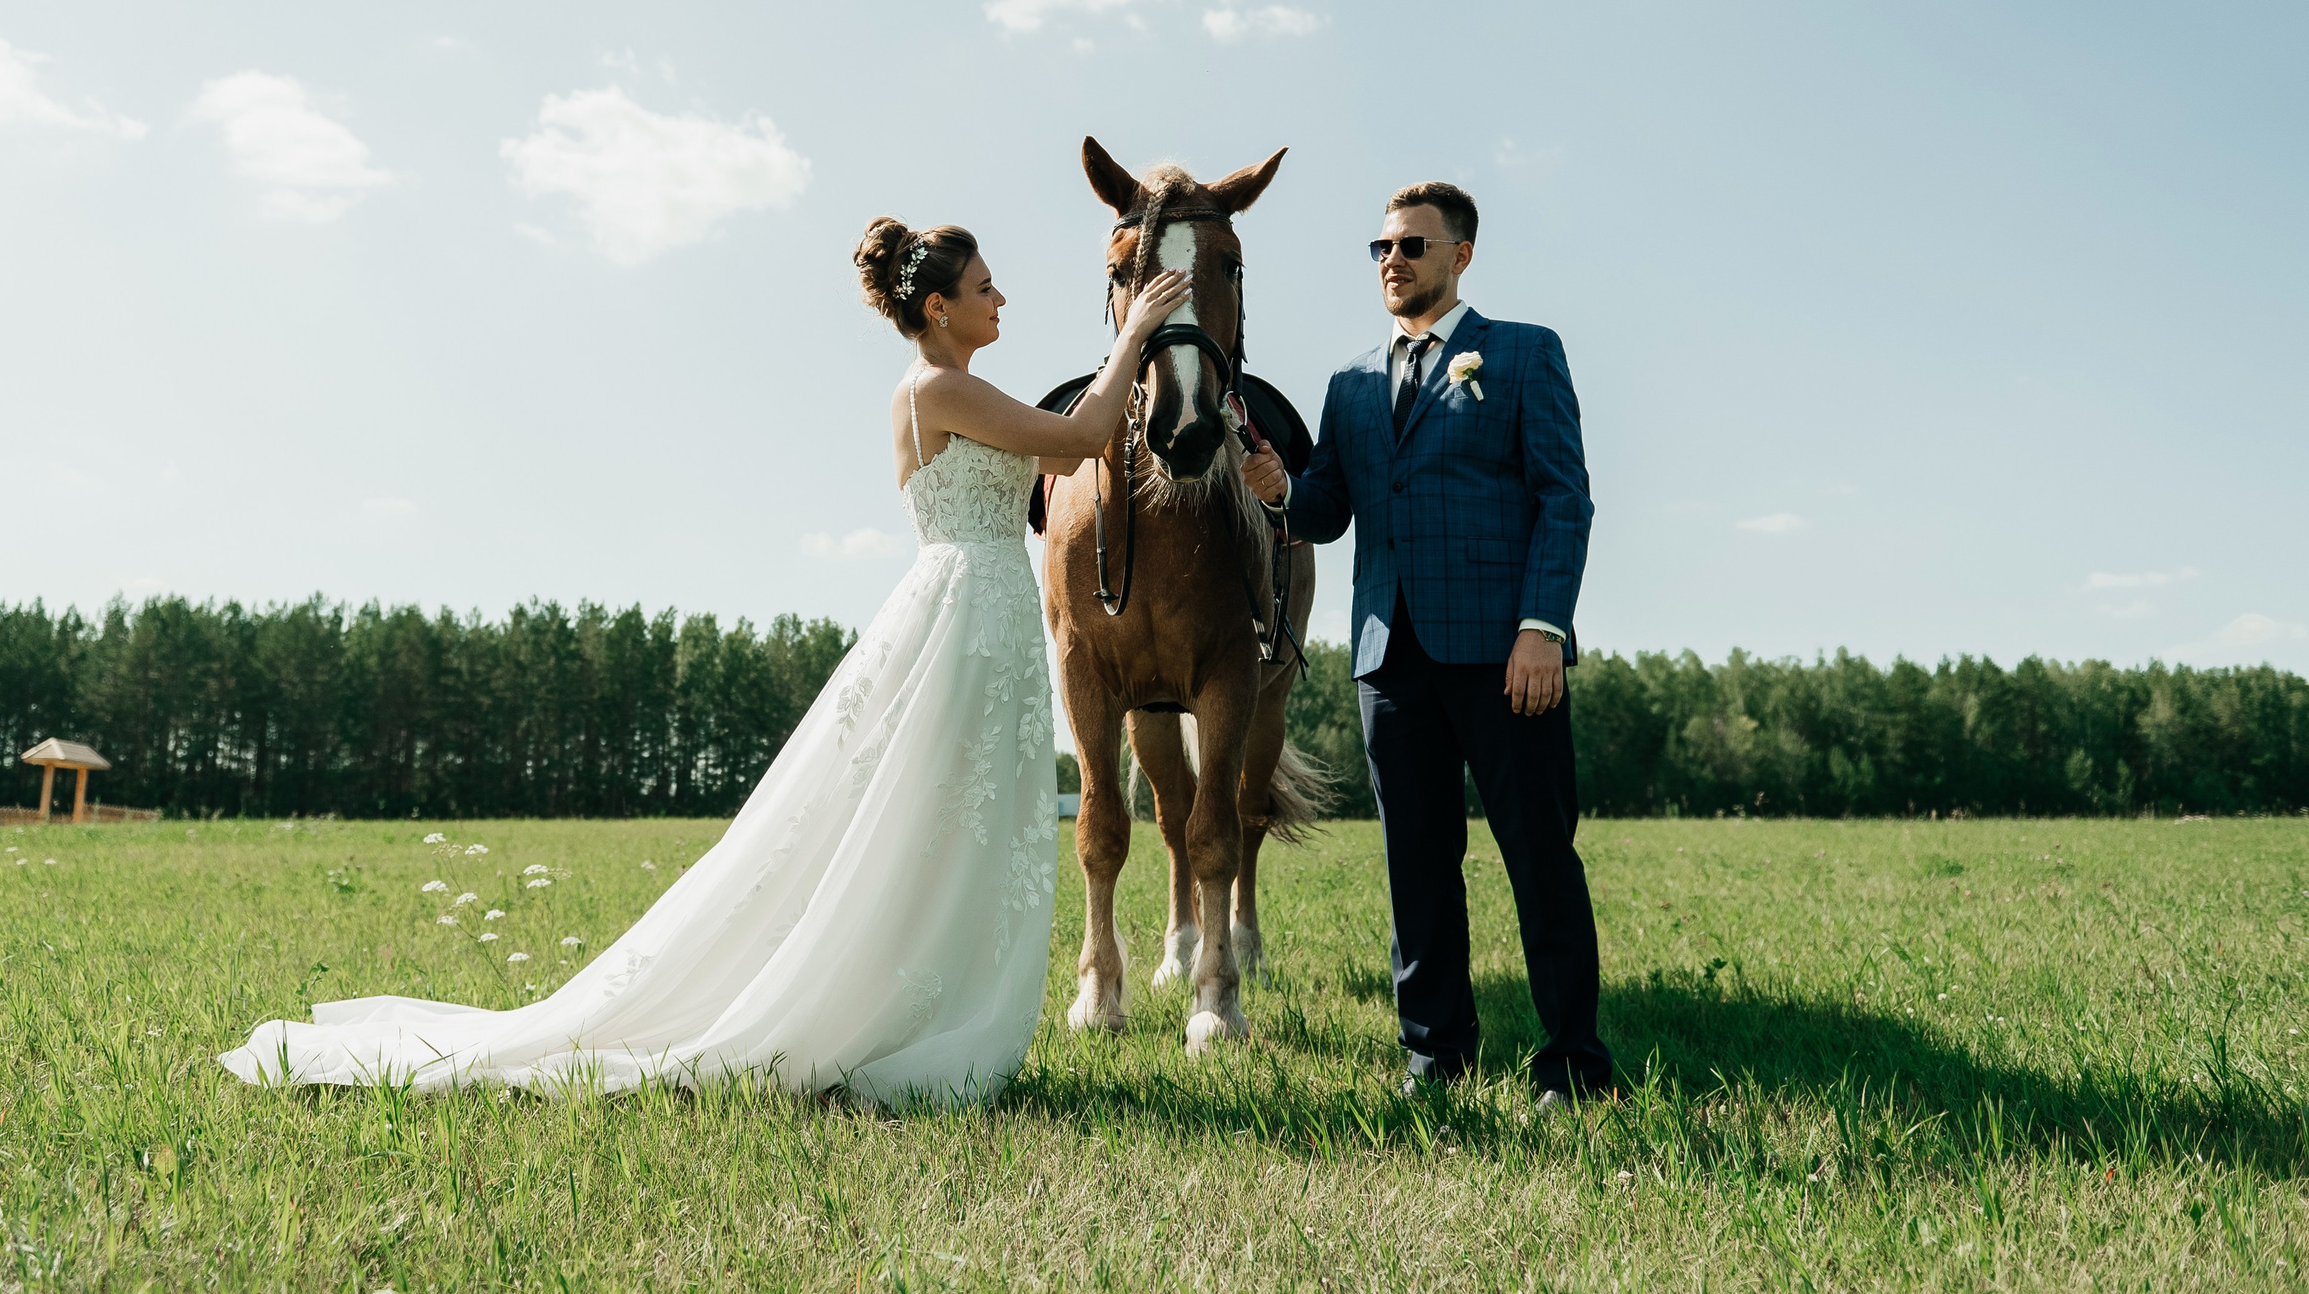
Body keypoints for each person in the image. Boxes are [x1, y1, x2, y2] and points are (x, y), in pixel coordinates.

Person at [219, 221, 1191, 1106]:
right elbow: (1078, 437)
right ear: (937, 307)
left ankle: (919, 1003)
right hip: (964, 617)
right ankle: (888, 1016)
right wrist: (1133, 332)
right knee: (927, 817)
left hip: (979, 612)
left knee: (947, 822)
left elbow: (1060, 460)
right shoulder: (936, 388)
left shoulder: (959, 390)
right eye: (986, 286)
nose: (1000, 298)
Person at [1241, 181, 1613, 1107]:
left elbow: (1565, 498)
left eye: (1411, 244)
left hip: (1504, 656)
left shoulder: (1525, 354)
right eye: (1380, 248)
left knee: (1539, 857)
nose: (1391, 260)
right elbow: (1329, 509)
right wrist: (1277, 485)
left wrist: (1542, 629)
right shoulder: (1353, 382)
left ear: (1462, 255)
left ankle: (1572, 1064)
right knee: (1416, 862)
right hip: (1389, 658)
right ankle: (1435, 1053)